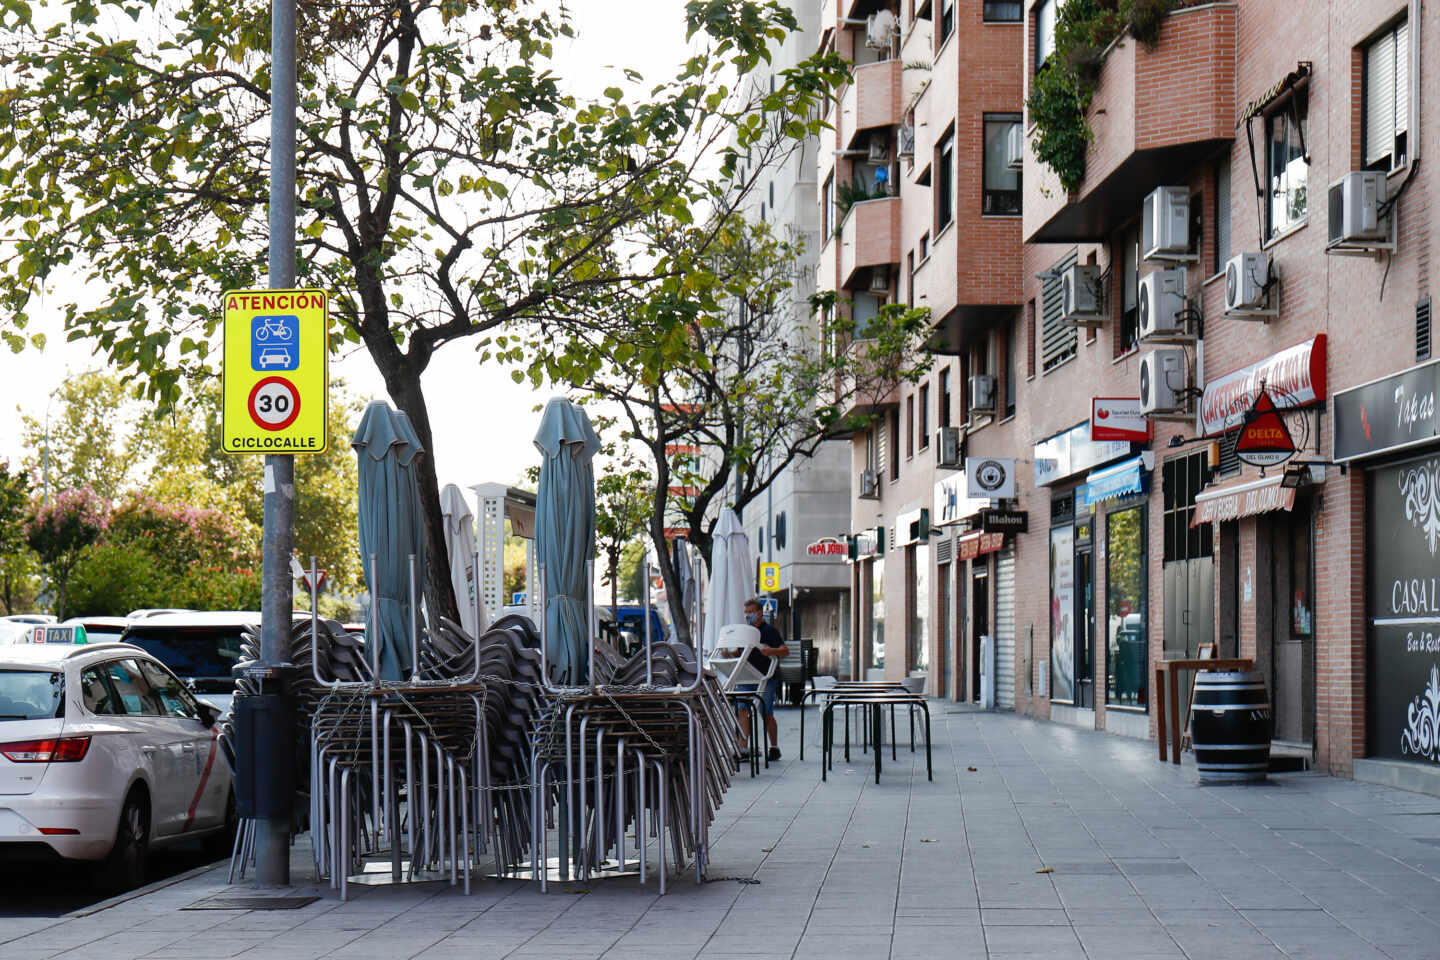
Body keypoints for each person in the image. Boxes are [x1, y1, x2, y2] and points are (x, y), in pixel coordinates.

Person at [734, 598, 788, 763]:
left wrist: (770, 650)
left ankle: (774, 747)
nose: (748, 615)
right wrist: (728, 654)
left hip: (766, 676)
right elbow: (739, 652)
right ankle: (743, 747)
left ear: (759, 612)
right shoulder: (745, 632)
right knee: (742, 709)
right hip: (746, 675)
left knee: (766, 712)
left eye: (750, 612)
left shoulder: (769, 631)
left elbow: (784, 650)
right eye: (746, 613)